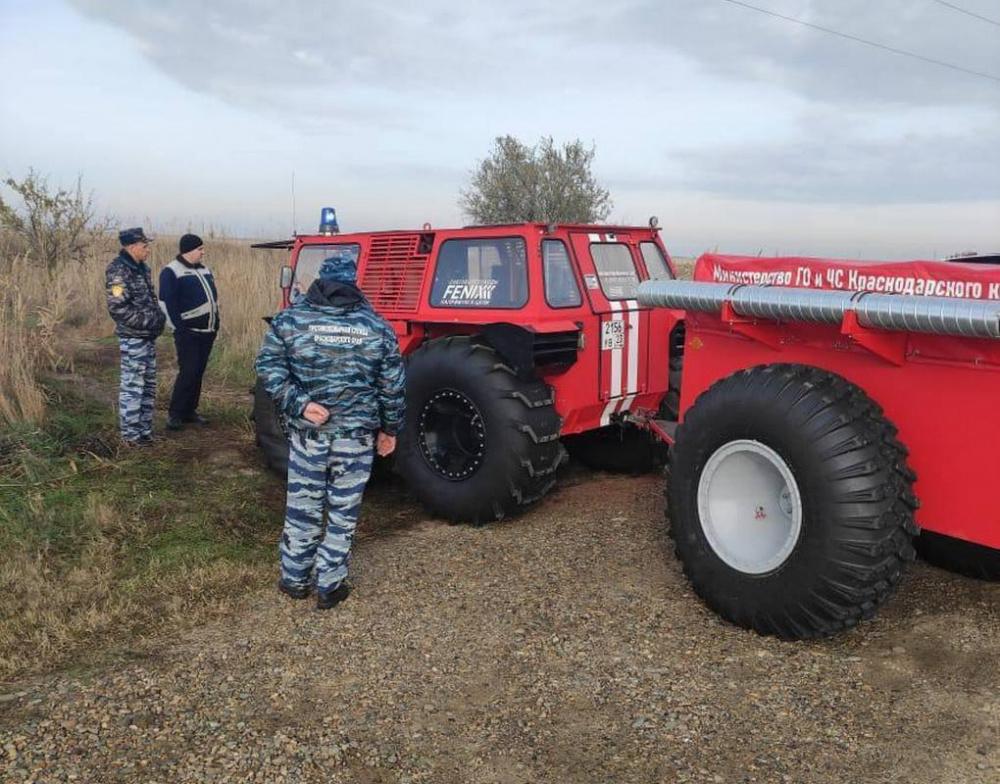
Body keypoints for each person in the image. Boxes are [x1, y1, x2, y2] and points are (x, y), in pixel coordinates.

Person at [255, 249, 405, 610]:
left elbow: (268, 367)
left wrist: (300, 404)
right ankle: (330, 585)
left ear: (322, 281)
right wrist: (390, 429)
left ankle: (294, 579)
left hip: (309, 435)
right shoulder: (377, 328)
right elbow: (392, 386)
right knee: (343, 511)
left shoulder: (290, 321)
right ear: (353, 283)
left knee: (303, 507)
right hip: (355, 440)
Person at [105, 227, 166, 446]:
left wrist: (157, 319)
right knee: (133, 386)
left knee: (148, 385)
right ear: (131, 246)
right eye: (144, 245)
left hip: (147, 338)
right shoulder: (118, 272)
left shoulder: (141, 269)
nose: (147, 249)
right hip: (133, 339)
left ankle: (144, 432)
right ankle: (130, 437)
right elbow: (117, 308)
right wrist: (148, 322)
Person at [158, 233, 220, 430]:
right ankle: (175, 414)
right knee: (188, 371)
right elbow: (166, 303)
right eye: (200, 249)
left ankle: (190, 410)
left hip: (208, 330)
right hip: (188, 332)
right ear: (189, 250)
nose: (203, 252)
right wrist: (179, 329)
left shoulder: (205, 270)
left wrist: (215, 323)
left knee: (198, 372)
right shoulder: (171, 271)